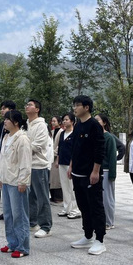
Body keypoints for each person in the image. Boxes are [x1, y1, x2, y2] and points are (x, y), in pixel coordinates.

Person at [68, 95, 107, 255]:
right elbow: (75, 148)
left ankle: (100, 240)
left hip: (90, 174)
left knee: (95, 206)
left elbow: (99, 150)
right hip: (77, 173)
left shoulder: (94, 126)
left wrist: (96, 171)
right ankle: (88, 235)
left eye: (77, 105)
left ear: (86, 107)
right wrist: (71, 166)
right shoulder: (78, 125)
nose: (74, 108)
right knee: (83, 206)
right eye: (74, 105)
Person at [0, 110, 32, 258]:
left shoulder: (22, 139)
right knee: (8, 214)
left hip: (17, 182)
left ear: (16, 122)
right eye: (5, 119)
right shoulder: (6, 137)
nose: (5, 121)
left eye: (8, 119)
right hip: (6, 180)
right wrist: (1, 178)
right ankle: (12, 243)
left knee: (20, 215)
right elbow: (3, 160)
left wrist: (23, 181)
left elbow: (25, 162)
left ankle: (23, 246)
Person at [25, 99, 53, 238]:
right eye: (27, 104)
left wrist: (22, 149)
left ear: (37, 109)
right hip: (27, 165)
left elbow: (37, 145)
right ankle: (32, 222)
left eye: (30, 105)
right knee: (30, 196)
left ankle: (46, 226)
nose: (27, 106)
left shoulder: (41, 125)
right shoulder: (26, 124)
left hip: (38, 165)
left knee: (42, 197)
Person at [0, 100, 17, 220]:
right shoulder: (2, 124)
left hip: (10, 162)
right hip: (0, 159)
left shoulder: (16, 127)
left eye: (4, 108)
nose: (2, 111)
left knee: (11, 187)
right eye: (1, 108)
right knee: (3, 185)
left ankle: (13, 211)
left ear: (11, 110)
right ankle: (6, 211)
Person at [95, 114, 117, 230]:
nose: (95, 122)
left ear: (104, 122)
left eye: (98, 120)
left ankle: (109, 221)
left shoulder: (109, 137)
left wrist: (112, 175)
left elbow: (112, 157)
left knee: (107, 198)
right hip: (96, 171)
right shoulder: (94, 137)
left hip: (106, 171)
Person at [57, 112, 80, 219]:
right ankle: (67, 208)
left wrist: (72, 164)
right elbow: (60, 147)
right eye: (63, 120)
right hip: (62, 162)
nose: (64, 121)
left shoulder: (75, 134)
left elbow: (75, 151)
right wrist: (57, 160)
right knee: (64, 186)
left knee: (72, 187)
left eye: (66, 119)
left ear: (72, 121)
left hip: (71, 163)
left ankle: (75, 210)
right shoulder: (62, 133)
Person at [49, 116, 63, 203]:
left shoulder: (61, 132)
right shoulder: (52, 132)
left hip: (56, 157)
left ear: (59, 122)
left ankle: (58, 197)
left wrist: (54, 153)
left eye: (55, 121)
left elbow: (59, 145)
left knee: (57, 178)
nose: (53, 122)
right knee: (51, 178)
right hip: (50, 157)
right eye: (52, 121)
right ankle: (52, 196)